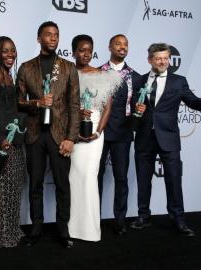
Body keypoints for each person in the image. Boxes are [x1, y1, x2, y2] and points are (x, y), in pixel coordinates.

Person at [131, 43, 201, 237]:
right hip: (144, 138)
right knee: (142, 180)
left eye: (166, 58)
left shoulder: (178, 81)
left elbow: (194, 101)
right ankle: (143, 216)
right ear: (149, 59)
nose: (163, 61)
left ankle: (178, 220)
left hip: (169, 139)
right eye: (158, 58)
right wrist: (135, 110)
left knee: (174, 181)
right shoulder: (138, 80)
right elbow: (132, 107)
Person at [16, 21, 80, 248]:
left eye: (56, 35)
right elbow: (19, 102)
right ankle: (36, 228)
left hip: (59, 134)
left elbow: (74, 105)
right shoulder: (25, 67)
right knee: (35, 184)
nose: (53, 38)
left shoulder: (68, 67)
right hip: (34, 134)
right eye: (48, 35)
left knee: (63, 184)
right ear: (38, 38)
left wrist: (71, 138)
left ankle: (63, 229)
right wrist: (37, 102)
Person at [68, 34, 124, 241]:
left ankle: (90, 230)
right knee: (74, 177)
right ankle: (72, 228)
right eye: (82, 50)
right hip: (74, 132)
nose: (86, 54)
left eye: (89, 50)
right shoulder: (68, 74)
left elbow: (108, 108)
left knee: (89, 177)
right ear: (73, 51)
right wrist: (73, 130)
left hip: (94, 133)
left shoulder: (103, 74)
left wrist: (98, 132)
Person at [0, 36, 27, 248]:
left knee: (12, 188)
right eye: (5, 51)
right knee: (0, 189)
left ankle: (11, 230)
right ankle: (1, 235)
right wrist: (0, 139)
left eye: (13, 50)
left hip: (13, 141)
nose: (10, 55)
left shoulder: (10, 75)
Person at [97, 34, 142, 235]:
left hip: (123, 134)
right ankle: (93, 219)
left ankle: (120, 221)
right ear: (110, 47)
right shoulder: (98, 72)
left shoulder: (136, 76)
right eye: (118, 44)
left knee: (121, 178)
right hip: (99, 132)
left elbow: (137, 108)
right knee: (96, 177)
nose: (122, 47)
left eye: (125, 44)